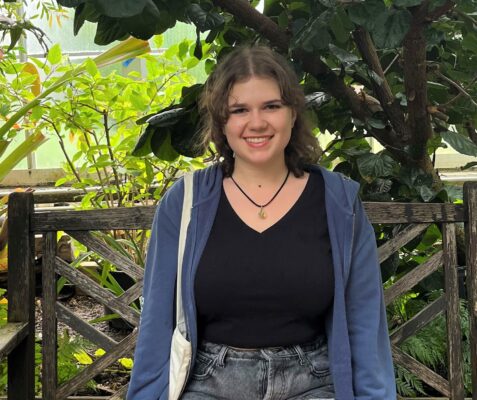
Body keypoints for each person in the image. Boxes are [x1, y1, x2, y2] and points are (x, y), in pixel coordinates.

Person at [127, 45, 396, 400]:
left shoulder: (338, 201)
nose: (257, 122)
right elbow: (157, 322)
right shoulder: (185, 202)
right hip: (208, 383)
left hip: (312, 383)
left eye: (271, 106)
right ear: (222, 122)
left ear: (293, 113)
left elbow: (364, 322)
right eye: (239, 110)